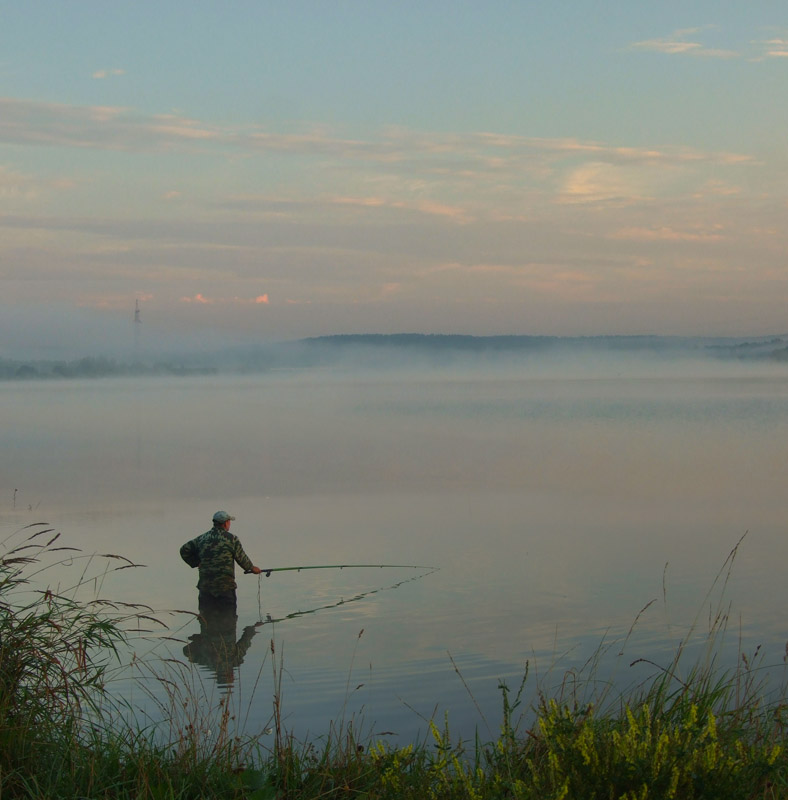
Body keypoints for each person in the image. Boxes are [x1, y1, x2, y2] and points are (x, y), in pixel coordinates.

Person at [180, 510, 263, 608]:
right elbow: (242, 559)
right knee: (228, 619)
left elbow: (184, 550)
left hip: (205, 588)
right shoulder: (232, 539)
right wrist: (252, 568)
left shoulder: (201, 539)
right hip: (226, 588)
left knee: (206, 619)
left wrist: (196, 562)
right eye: (229, 522)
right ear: (225, 523)